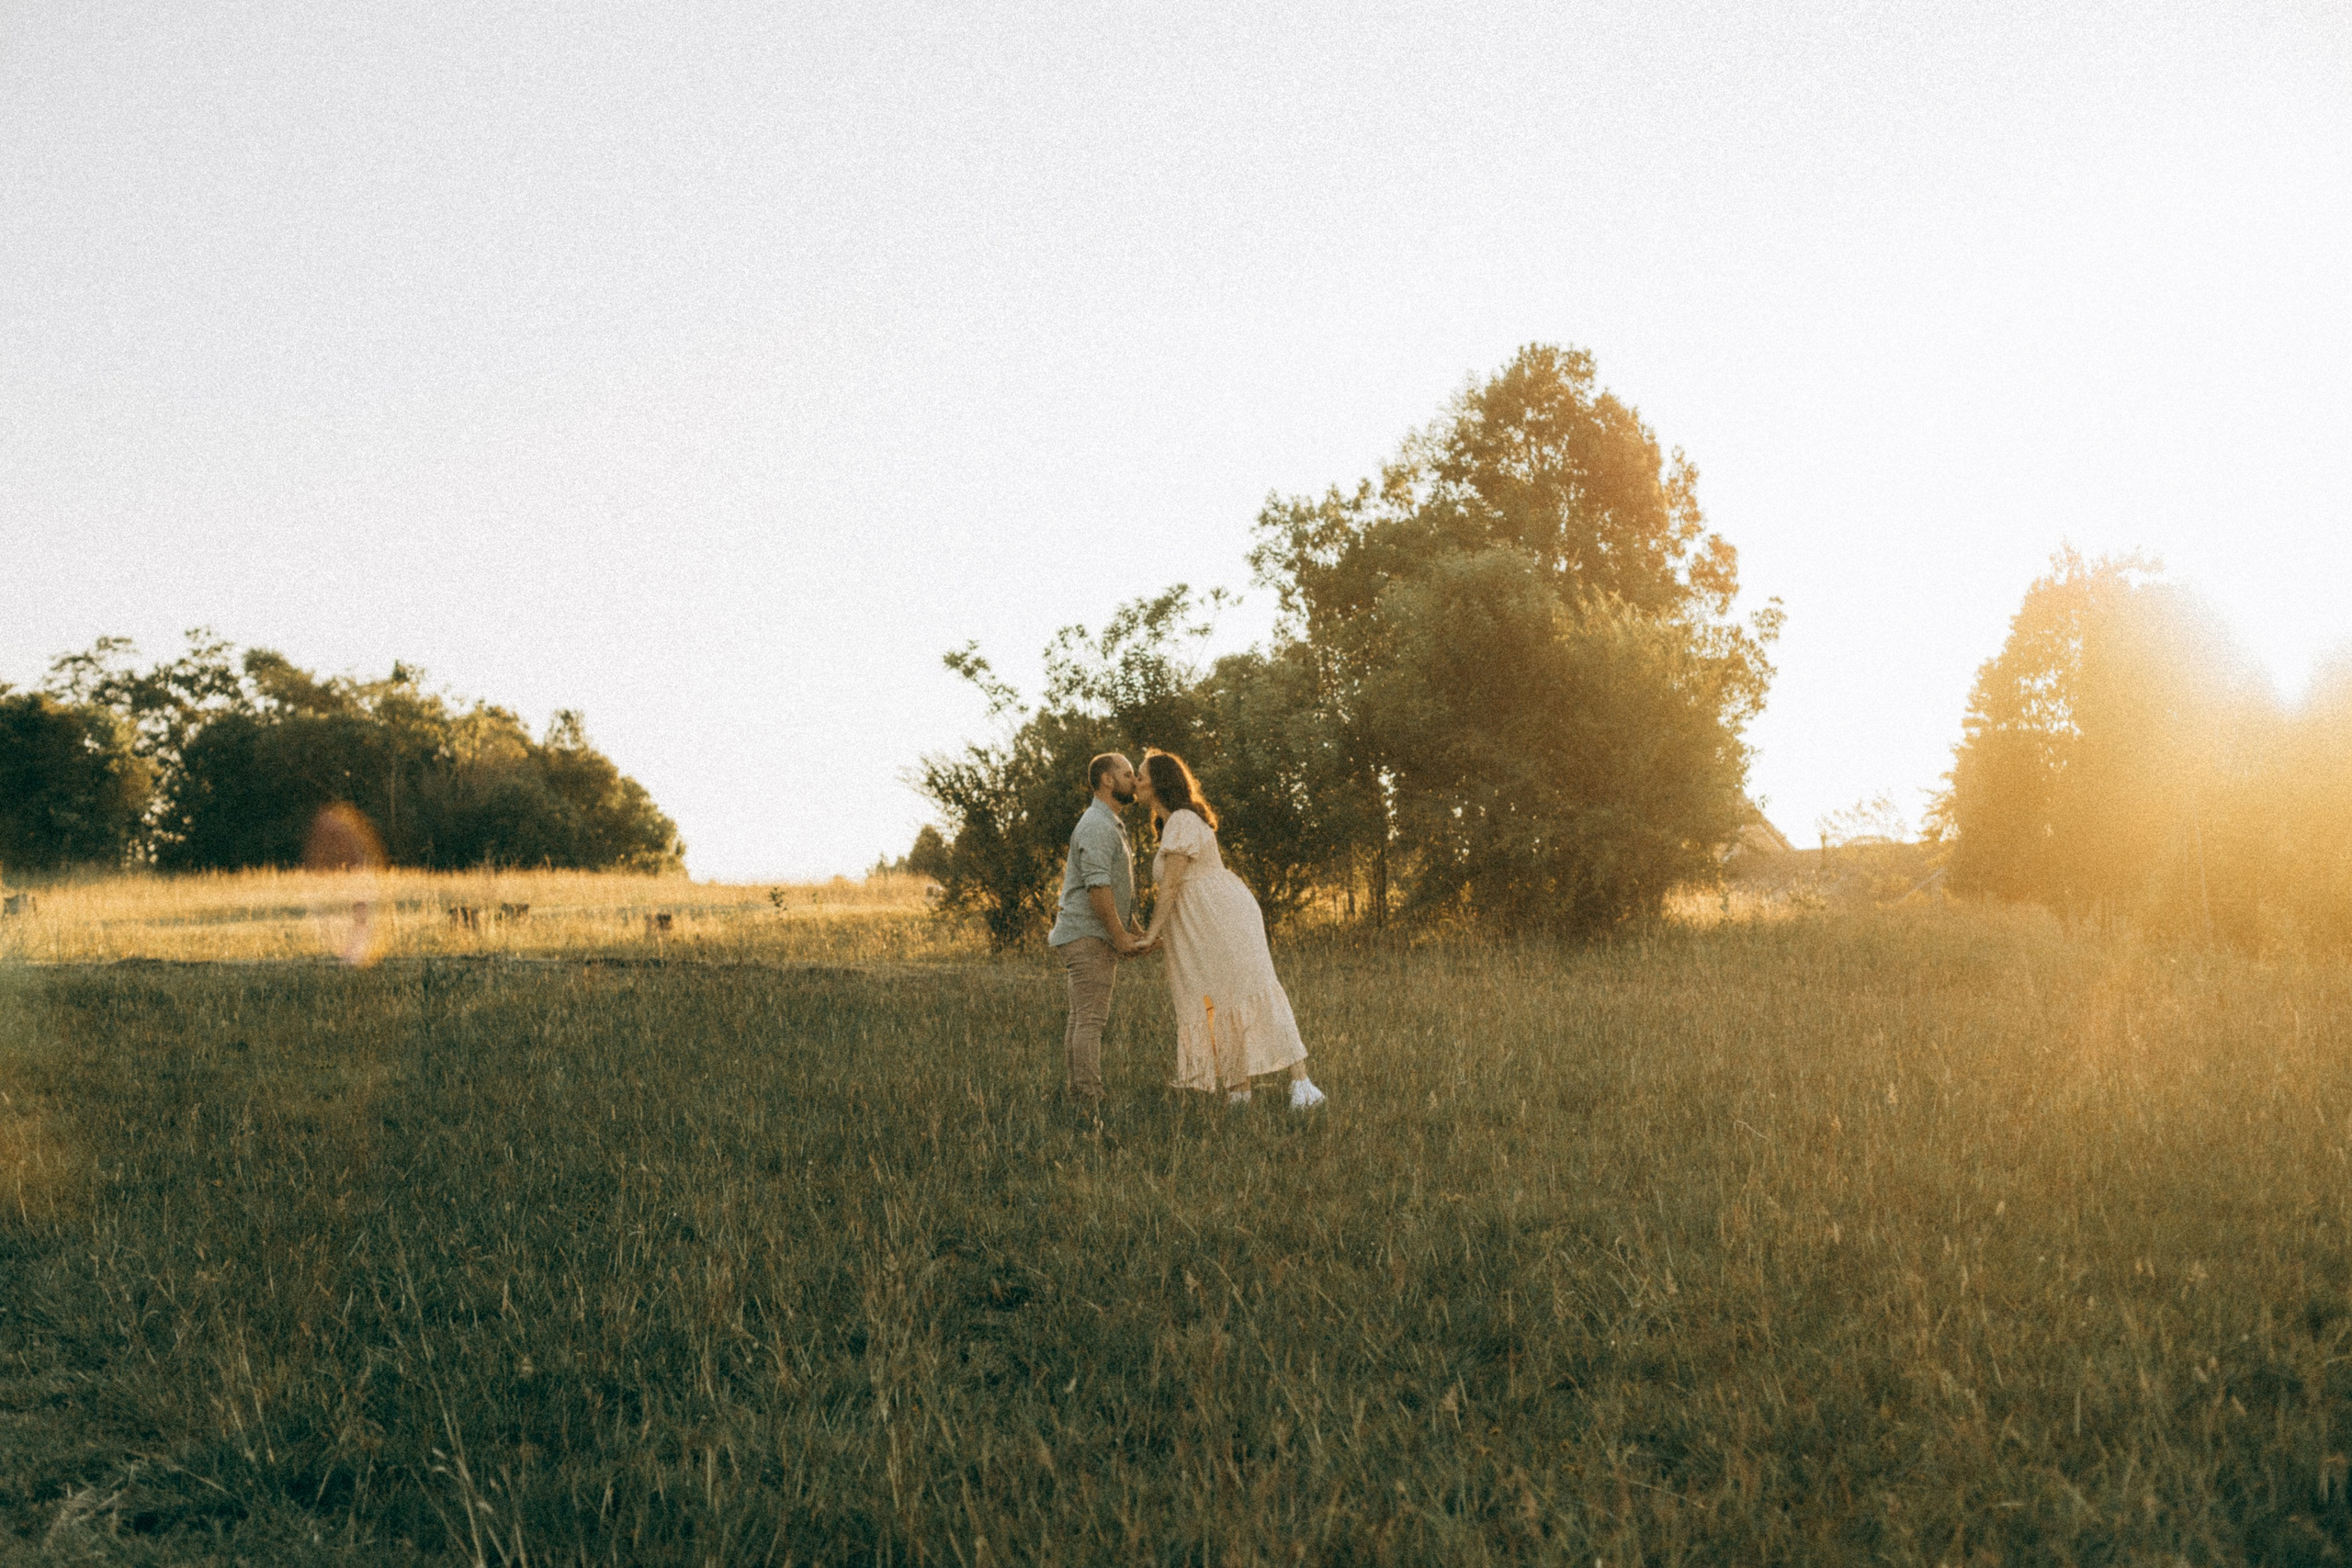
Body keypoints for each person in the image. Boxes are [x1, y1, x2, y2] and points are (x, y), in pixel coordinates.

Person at [1135, 749, 1328, 1111]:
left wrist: (1151, 933)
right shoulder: (1171, 824)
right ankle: (1239, 1090)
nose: (1136, 783)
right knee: (1217, 998)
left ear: (1160, 783)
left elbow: (1172, 886)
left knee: (1251, 987)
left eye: (1141, 776)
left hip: (1221, 918)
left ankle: (1303, 1085)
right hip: (1199, 925)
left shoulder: (1180, 819)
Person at [1046, 752, 1150, 1111]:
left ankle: (1079, 1095)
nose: (1134, 780)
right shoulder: (1096, 824)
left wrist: (1134, 929)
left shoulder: (1111, 822)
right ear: (1107, 780)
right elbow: (1097, 887)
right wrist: (1119, 936)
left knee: (1081, 1018)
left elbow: (1117, 888)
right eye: (1126, 773)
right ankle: (1090, 1100)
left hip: (1089, 933)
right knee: (1090, 1020)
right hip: (1087, 936)